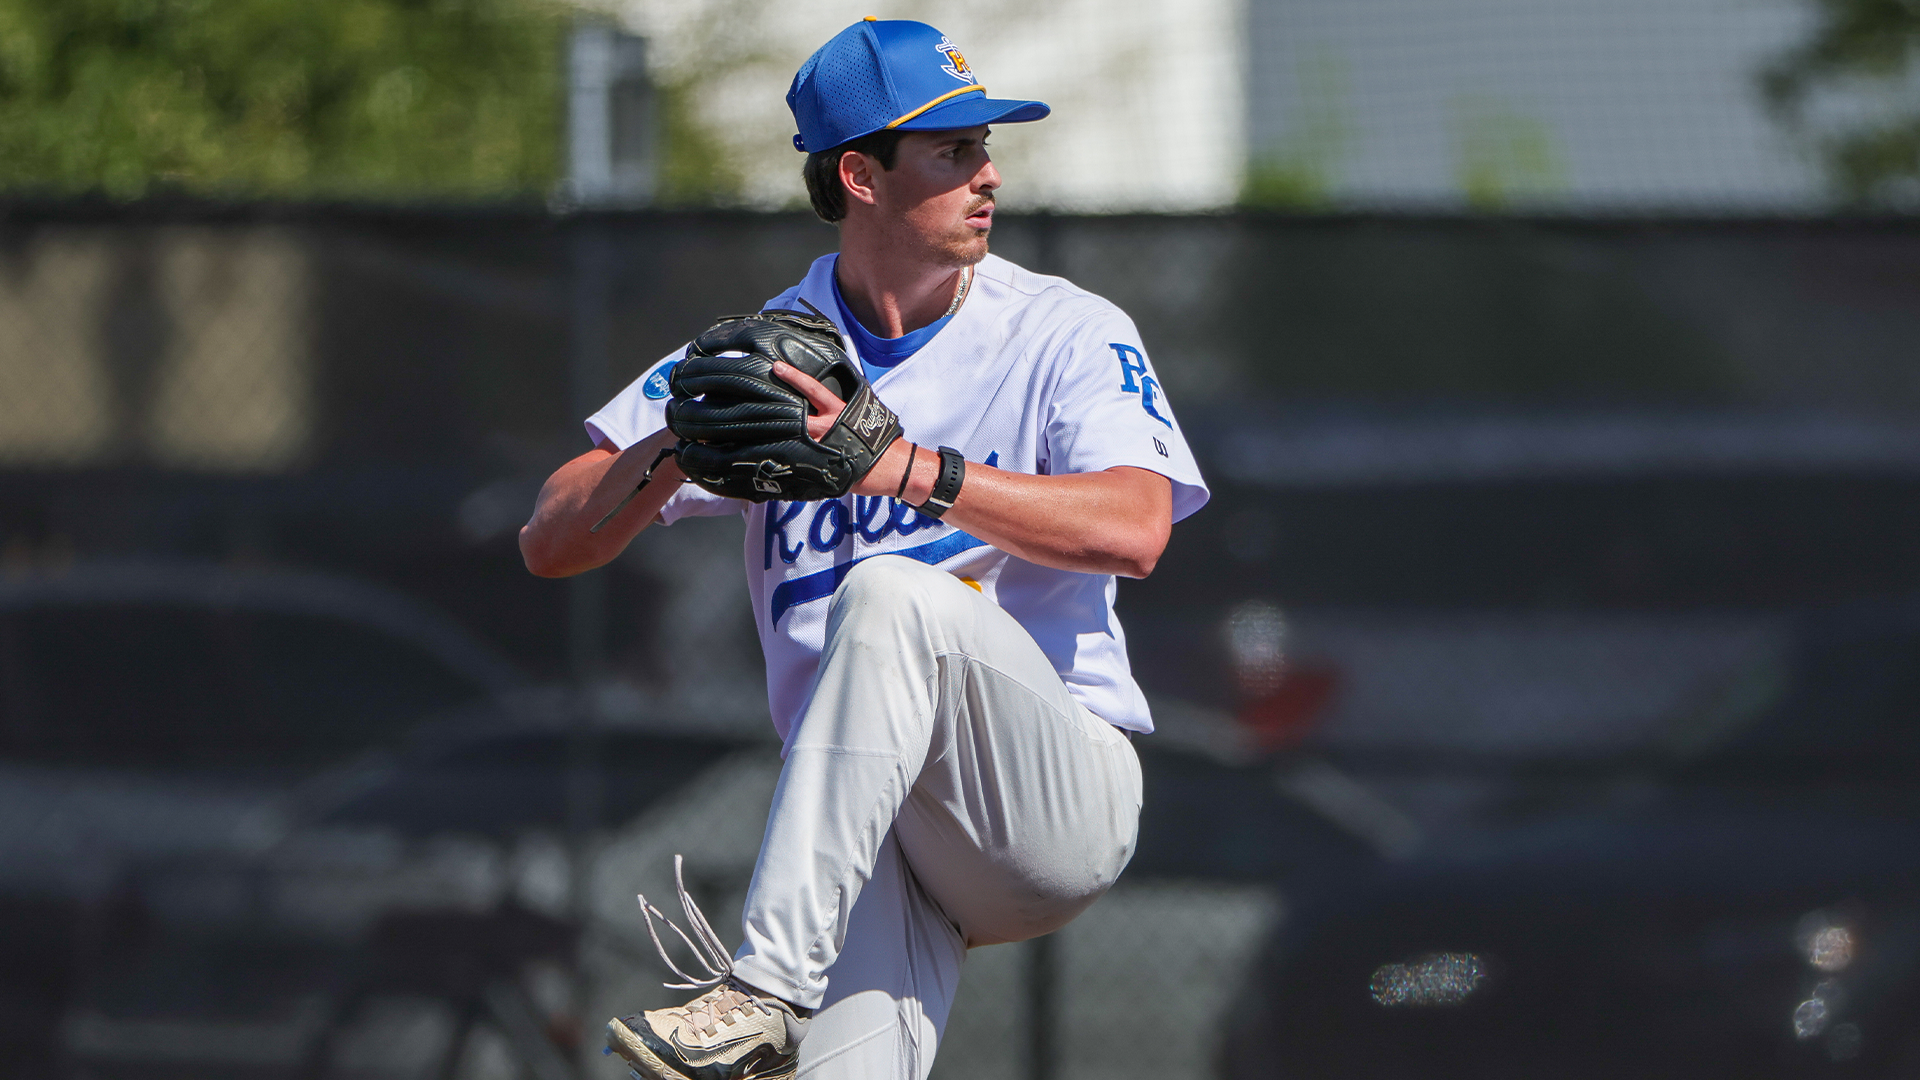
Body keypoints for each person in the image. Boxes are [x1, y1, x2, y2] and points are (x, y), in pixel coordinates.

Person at [519, 17, 1208, 1080]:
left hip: (1046, 800)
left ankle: (764, 989)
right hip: (871, 836)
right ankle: (779, 1005)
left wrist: (903, 468)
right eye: (951, 149)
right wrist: (676, 440)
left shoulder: (1062, 328)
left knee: (892, 592)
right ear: (860, 174)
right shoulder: (774, 353)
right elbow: (551, 541)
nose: (987, 173)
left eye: (984, 145)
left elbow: (1136, 527)